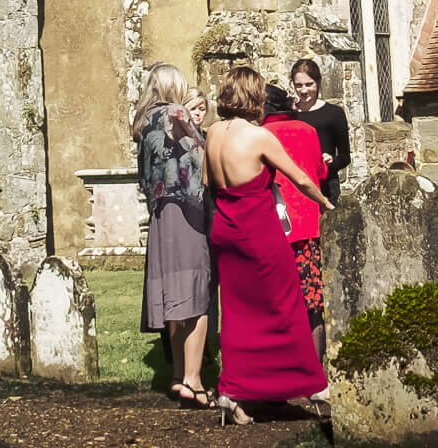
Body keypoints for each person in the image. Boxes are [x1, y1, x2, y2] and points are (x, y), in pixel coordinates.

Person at [205, 66, 333, 423]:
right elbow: (301, 178)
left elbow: (207, 182)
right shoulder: (258, 136)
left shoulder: (212, 133)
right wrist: (326, 203)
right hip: (257, 230)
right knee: (286, 305)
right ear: (254, 95)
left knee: (237, 313)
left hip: (225, 230)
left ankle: (231, 393)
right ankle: (314, 385)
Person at [133, 63, 213, 407]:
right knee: (197, 293)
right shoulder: (175, 112)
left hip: (160, 212)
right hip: (186, 209)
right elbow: (202, 151)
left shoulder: (144, 119)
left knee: (175, 296)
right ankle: (194, 380)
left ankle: (179, 376)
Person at [262, 85, 331, 359]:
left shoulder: (260, 135)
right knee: (313, 302)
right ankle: (316, 363)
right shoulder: (308, 130)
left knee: (279, 302)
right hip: (309, 223)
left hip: (274, 226)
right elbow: (320, 172)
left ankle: (285, 361)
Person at [287, 58, 352, 198]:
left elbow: (345, 157)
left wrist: (332, 161)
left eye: (309, 84)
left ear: (318, 82)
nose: (304, 90)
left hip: (325, 186)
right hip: (295, 186)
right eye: (298, 85)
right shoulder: (288, 114)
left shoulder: (334, 113)